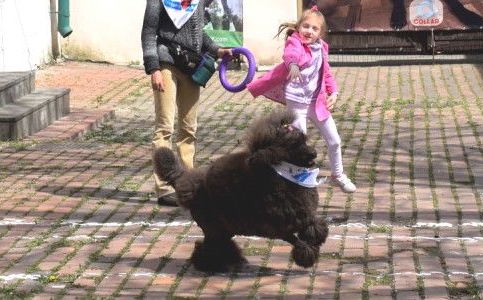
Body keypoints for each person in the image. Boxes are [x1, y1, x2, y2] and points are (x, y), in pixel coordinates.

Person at [246, 6, 357, 193]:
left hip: (316, 101)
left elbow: (327, 74)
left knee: (335, 140)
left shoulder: (321, 48)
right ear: (298, 27)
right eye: (306, 26)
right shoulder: (294, 42)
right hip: (296, 101)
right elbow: (291, 55)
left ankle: (338, 175)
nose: (309, 31)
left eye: (315, 29)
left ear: (321, 33)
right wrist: (294, 66)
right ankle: (297, 180)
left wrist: (334, 93)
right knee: (299, 143)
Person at [142, 0, 232, 206]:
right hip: (166, 63)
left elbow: (199, 34)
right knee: (164, 127)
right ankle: (164, 189)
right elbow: (148, 33)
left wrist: (218, 51)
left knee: (189, 129)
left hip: (191, 66)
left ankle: (187, 184)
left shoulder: (197, 2)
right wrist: (153, 68)